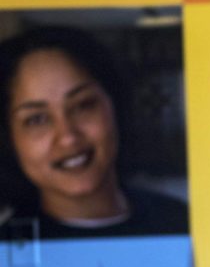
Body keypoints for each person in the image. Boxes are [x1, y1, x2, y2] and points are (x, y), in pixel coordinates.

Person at [0, 25, 188, 239]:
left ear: (115, 105)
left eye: (83, 105)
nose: (68, 137)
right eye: (37, 119)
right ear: (8, 138)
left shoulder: (178, 221)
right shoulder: (6, 251)